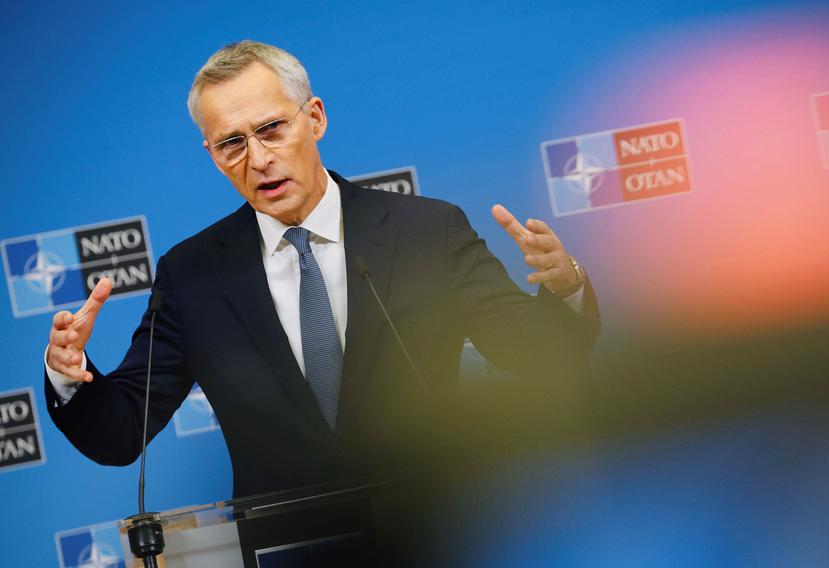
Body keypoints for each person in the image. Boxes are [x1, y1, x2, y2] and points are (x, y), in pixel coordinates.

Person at [43, 41, 600, 498]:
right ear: (213, 155)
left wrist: (567, 286)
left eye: (271, 129)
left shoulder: (428, 232)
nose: (258, 158)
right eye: (232, 143)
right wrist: (69, 375)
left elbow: (533, 353)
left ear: (314, 118)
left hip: (431, 536)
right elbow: (120, 435)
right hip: (288, 551)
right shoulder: (191, 276)